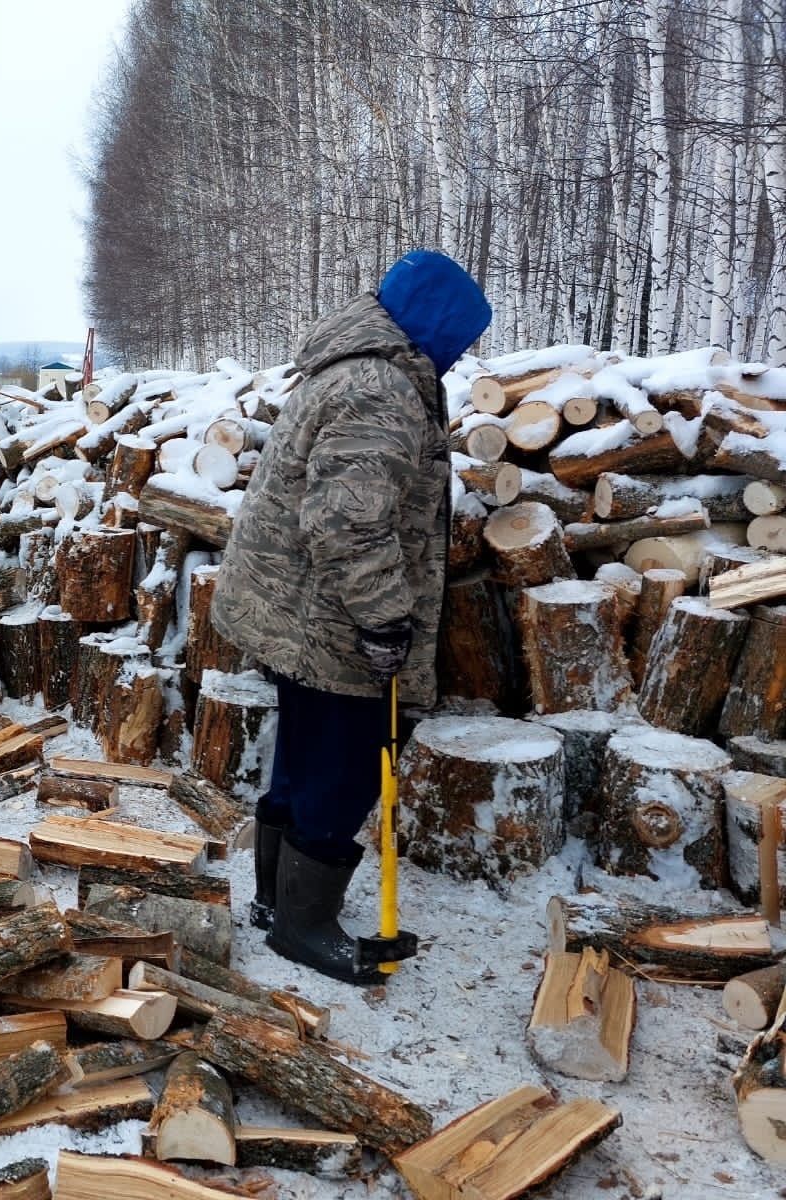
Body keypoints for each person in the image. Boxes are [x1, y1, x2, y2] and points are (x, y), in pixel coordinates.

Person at [211, 250, 491, 986]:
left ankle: (278, 904)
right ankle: (304, 928)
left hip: (298, 608)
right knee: (344, 766)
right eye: (461, 339)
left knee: (304, 752)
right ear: (437, 327)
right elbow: (347, 522)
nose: (460, 357)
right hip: (331, 618)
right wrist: (386, 618)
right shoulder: (380, 389)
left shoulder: (352, 368)